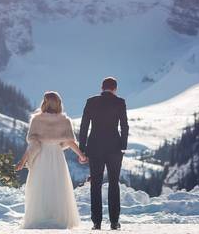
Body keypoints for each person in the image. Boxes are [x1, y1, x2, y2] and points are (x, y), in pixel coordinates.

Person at [16, 91, 87, 229]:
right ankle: (58, 217)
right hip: (57, 156)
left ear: (44, 103)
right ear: (59, 104)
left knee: (39, 186)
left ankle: (38, 218)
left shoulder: (36, 120)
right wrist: (81, 155)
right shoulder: (65, 121)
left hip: (41, 157)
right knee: (58, 186)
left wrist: (23, 161)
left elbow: (33, 144)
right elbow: (70, 142)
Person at [79, 77, 129, 230]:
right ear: (115, 88)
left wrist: (82, 148)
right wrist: (123, 145)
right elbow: (124, 126)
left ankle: (97, 222)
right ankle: (114, 221)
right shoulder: (120, 102)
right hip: (114, 147)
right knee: (114, 183)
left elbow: (84, 126)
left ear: (102, 88)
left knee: (96, 184)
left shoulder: (91, 101)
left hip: (94, 147)